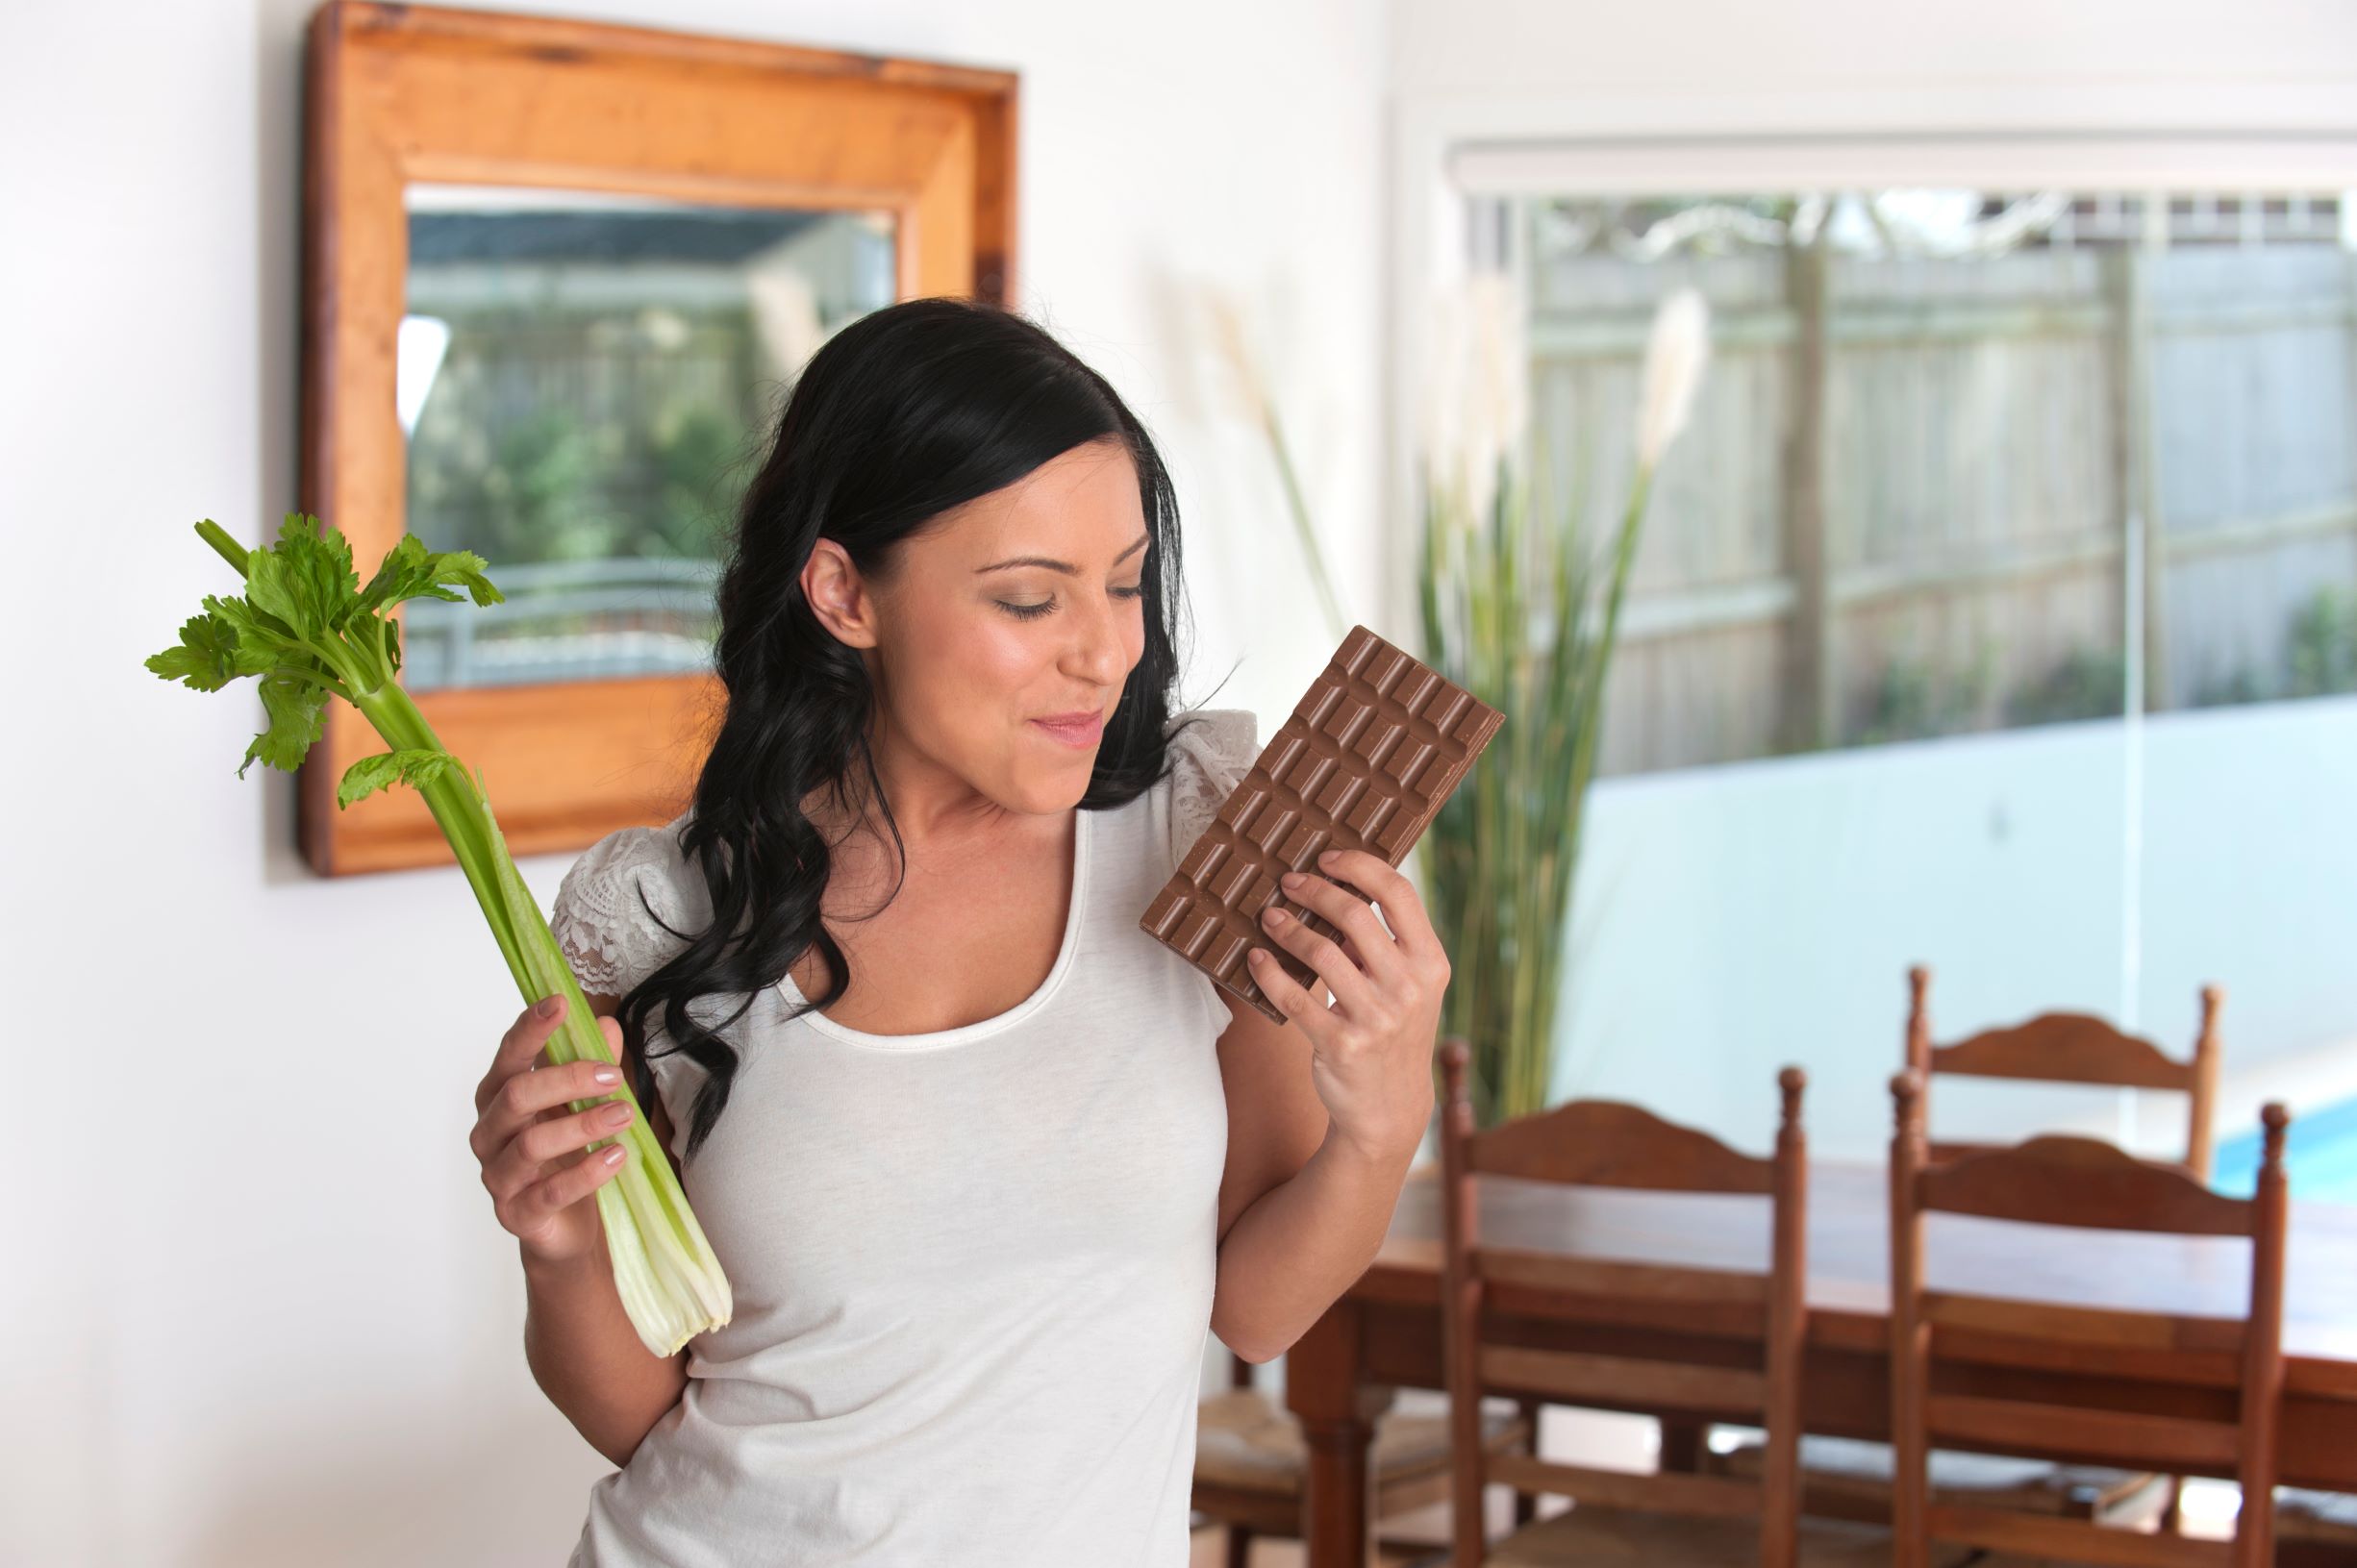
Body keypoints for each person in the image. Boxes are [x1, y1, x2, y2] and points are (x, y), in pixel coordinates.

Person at [464, 296, 1451, 1567]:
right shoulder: (665, 914)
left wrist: (1384, 1113)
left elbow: (1257, 1309)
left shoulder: (1203, 834)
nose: (1102, 653)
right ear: (842, 592)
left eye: (1125, 583)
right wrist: (553, 1245)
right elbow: (640, 1415)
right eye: (1030, 600)